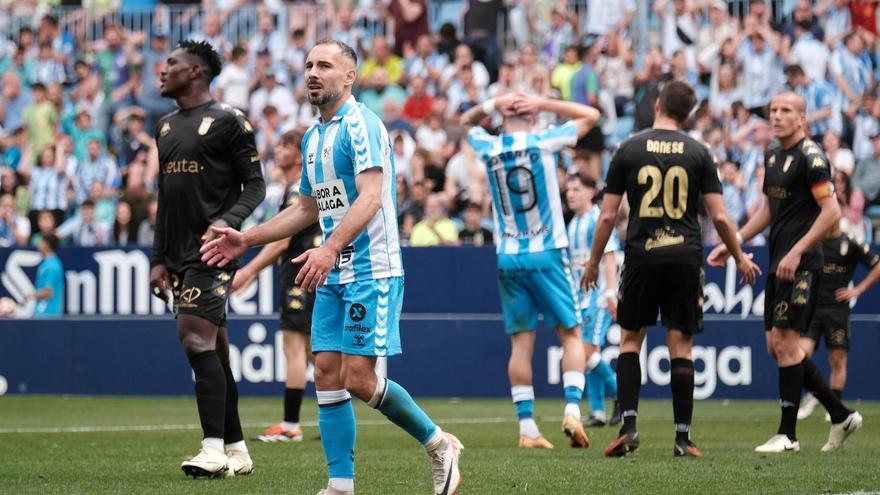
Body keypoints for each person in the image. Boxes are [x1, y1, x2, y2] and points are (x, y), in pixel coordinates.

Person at [200, 40, 462, 495]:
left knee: (357, 378)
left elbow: (370, 197)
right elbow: (304, 208)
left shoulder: (362, 125)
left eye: (325, 65)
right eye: (308, 65)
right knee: (324, 370)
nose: (313, 73)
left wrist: (328, 247)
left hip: (371, 270)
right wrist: (248, 237)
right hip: (335, 271)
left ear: (349, 76)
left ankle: (439, 445)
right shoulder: (312, 136)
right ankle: (340, 484)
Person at [586, 81, 760, 458]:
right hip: (684, 257)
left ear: (659, 104)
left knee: (631, 340)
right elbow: (720, 217)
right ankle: (683, 438)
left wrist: (594, 261)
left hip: (641, 256)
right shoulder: (700, 152)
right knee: (681, 345)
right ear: (690, 114)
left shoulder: (628, 147)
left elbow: (606, 216)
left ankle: (629, 426)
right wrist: (740, 256)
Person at [708, 91, 863, 453]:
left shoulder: (812, 157)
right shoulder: (773, 154)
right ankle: (840, 415)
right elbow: (768, 209)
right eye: (773, 110)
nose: (776, 116)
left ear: (802, 119)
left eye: (785, 111)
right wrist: (734, 242)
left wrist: (797, 250)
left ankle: (788, 435)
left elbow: (832, 212)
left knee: (786, 344)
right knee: (777, 346)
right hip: (780, 262)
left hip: (803, 264)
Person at [149, 40, 266, 478]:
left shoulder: (230, 121)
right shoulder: (164, 127)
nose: (163, 71)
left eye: (172, 64)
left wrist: (227, 223)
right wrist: (158, 258)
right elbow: (165, 197)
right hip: (177, 256)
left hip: (212, 252)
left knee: (194, 341)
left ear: (195, 71)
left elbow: (256, 186)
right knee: (215, 353)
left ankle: (212, 449)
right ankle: (237, 450)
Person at [460, 91, 600, 449]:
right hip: (547, 250)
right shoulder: (544, 140)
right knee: (571, 333)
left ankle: (527, 428)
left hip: (508, 254)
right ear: (532, 118)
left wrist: (492, 104)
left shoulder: (489, 146)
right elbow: (591, 114)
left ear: (504, 119)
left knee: (521, 343)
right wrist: (544, 103)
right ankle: (571, 409)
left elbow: (465, 122)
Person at [234, 129, 323, 443]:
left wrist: (250, 271)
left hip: (299, 275)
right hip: (309, 272)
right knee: (316, 353)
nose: (279, 149)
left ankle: (290, 426)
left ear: (299, 154)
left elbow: (283, 240)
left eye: (286, 145)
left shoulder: (299, 189)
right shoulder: (302, 187)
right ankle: (339, 412)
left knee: (294, 347)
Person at [797, 223, 880, 421]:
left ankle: (833, 405)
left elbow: (877, 265)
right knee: (800, 357)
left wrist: (858, 290)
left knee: (837, 358)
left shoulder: (850, 242)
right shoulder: (813, 239)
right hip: (813, 308)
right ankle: (815, 395)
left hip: (837, 310)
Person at [565, 174, 620, 428]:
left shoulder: (597, 220)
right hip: (581, 298)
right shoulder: (573, 224)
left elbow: (610, 259)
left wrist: (610, 294)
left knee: (585, 352)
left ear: (591, 192)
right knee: (591, 353)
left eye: (576, 189)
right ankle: (597, 411)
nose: (570, 194)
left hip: (597, 298)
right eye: (568, 189)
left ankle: (622, 395)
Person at [29, 233, 64, 318]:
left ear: (47, 245)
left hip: (47, 313)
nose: (38, 244)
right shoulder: (47, 263)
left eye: (41, 242)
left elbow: (48, 292)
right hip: (44, 313)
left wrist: (30, 295)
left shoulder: (51, 266)